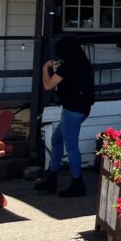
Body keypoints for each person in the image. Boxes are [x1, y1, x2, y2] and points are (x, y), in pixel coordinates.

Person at [35, 36, 94, 197]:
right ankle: (51, 176)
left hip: (71, 111)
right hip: (82, 109)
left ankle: (77, 183)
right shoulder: (84, 64)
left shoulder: (67, 67)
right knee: (56, 140)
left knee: (71, 146)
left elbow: (48, 85)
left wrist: (44, 68)